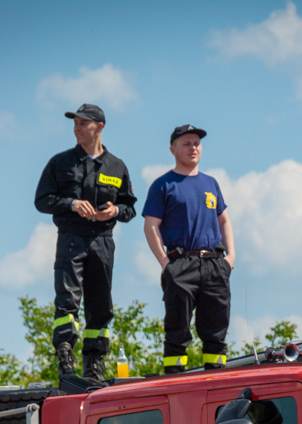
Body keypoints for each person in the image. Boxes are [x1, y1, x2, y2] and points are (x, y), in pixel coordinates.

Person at [35, 103, 137, 380]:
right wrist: (71, 204)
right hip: (71, 238)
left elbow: (129, 208)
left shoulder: (117, 166)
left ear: (99, 127)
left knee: (101, 303)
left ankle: (94, 361)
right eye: (75, 124)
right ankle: (65, 354)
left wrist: (115, 211)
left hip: (103, 241)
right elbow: (42, 200)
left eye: (83, 124)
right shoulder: (61, 162)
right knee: (67, 299)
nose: (77, 129)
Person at [143, 124, 235, 374]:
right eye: (186, 143)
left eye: (196, 143)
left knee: (216, 329)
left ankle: (215, 376)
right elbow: (151, 226)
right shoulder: (163, 185)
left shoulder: (211, 183)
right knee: (177, 328)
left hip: (215, 264)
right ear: (173, 149)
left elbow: (224, 220)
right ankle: (175, 380)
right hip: (181, 264)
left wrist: (231, 258)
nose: (193, 147)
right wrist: (165, 264)